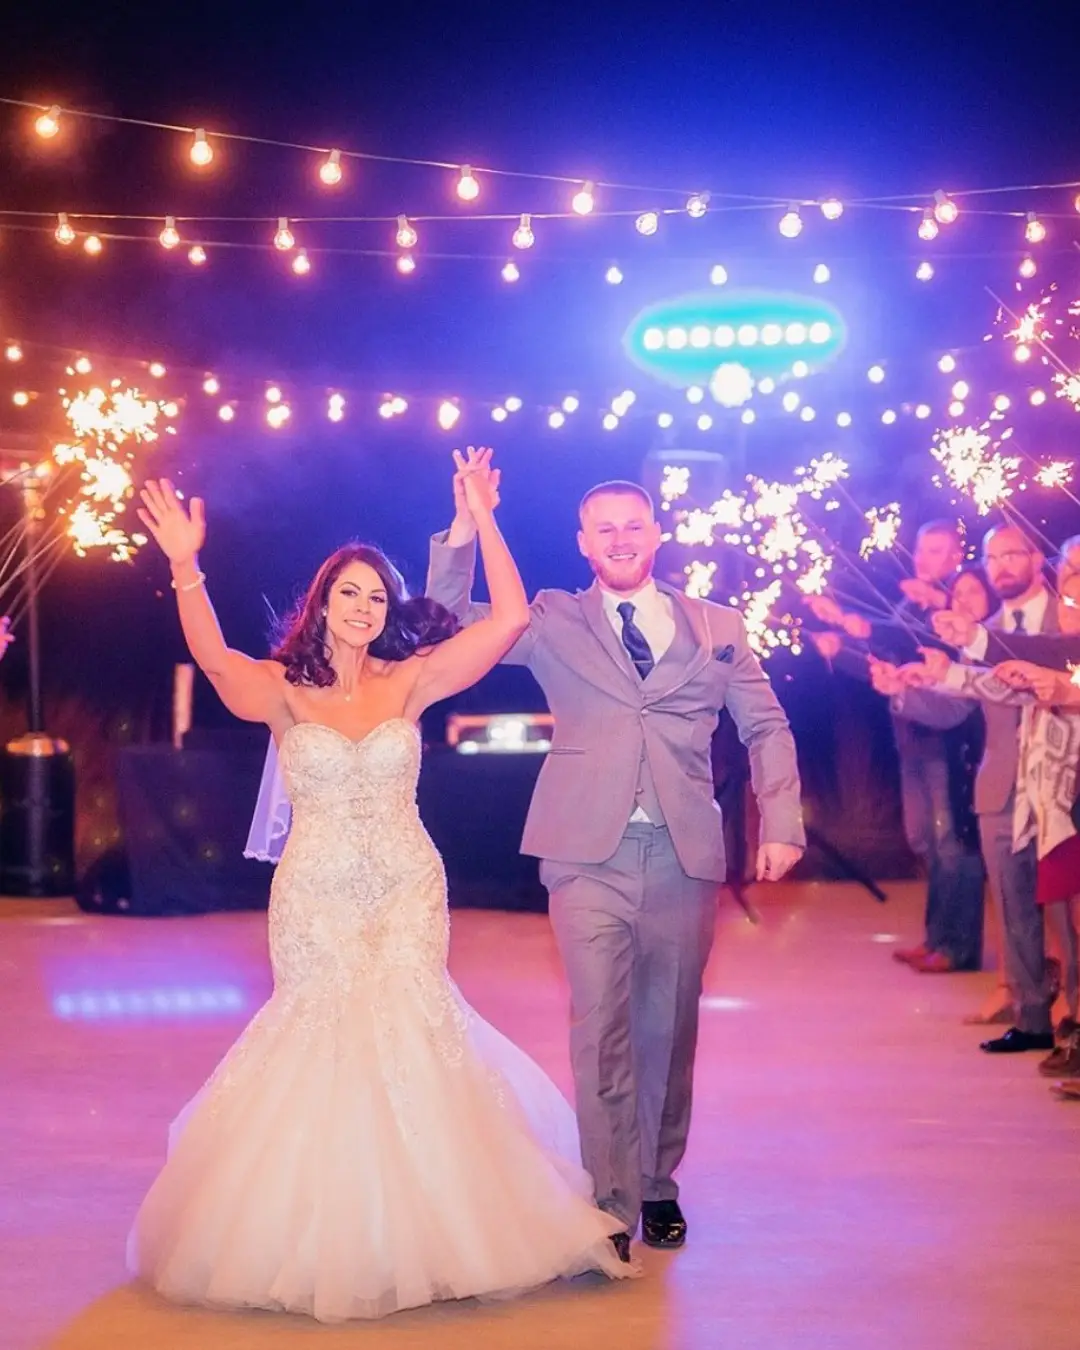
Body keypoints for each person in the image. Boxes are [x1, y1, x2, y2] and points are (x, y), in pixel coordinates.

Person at [126, 471, 634, 1324]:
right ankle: (326, 1234)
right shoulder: (283, 690)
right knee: (321, 1034)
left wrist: (485, 521)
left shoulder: (411, 681)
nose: (364, 607)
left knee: (411, 1031)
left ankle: (435, 1233)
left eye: (377, 596)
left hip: (405, 884)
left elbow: (508, 620)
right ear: (322, 601)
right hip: (316, 894)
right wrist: (187, 568)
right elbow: (214, 659)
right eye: (349, 593)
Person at [426, 450, 805, 1258]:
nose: (621, 539)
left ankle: (658, 1184)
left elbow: (767, 726)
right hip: (583, 852)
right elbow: (451, 619)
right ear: (584, 543)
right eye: (606, 530)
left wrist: (781, 821)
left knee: (666, 1028)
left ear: (658, 534)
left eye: (634, 526)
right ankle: (609, 1198)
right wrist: (466, 525)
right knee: (599, 1025)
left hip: (682, 853)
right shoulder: (552, 618)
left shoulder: (718, 627)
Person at [893, 523, 1066, 1053]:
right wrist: (931, 679)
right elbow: (971, 695)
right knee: (1014, 905)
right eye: (993, 557)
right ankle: (1032, 1016)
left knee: (1064, 910)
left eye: (1013, 554)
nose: (1002, 566)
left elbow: (1045, 673)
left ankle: (1072, 1021)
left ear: (1039, 559)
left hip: (1060, 783)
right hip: (999, 784)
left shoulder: (1066, 621)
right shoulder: (984, 629)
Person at [809, 521, 986, 976]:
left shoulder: (953, 608)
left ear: (956, 557)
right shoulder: (910, 602)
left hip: (945, 739)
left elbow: (912, 648)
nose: (928, 559)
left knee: (952, 843)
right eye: (923, 550)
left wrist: (856, 625)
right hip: (911, 738)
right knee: (925, 840)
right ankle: (937, 938)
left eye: (939, 550)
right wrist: (841, 648)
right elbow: (886, 668)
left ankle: (956, 946)